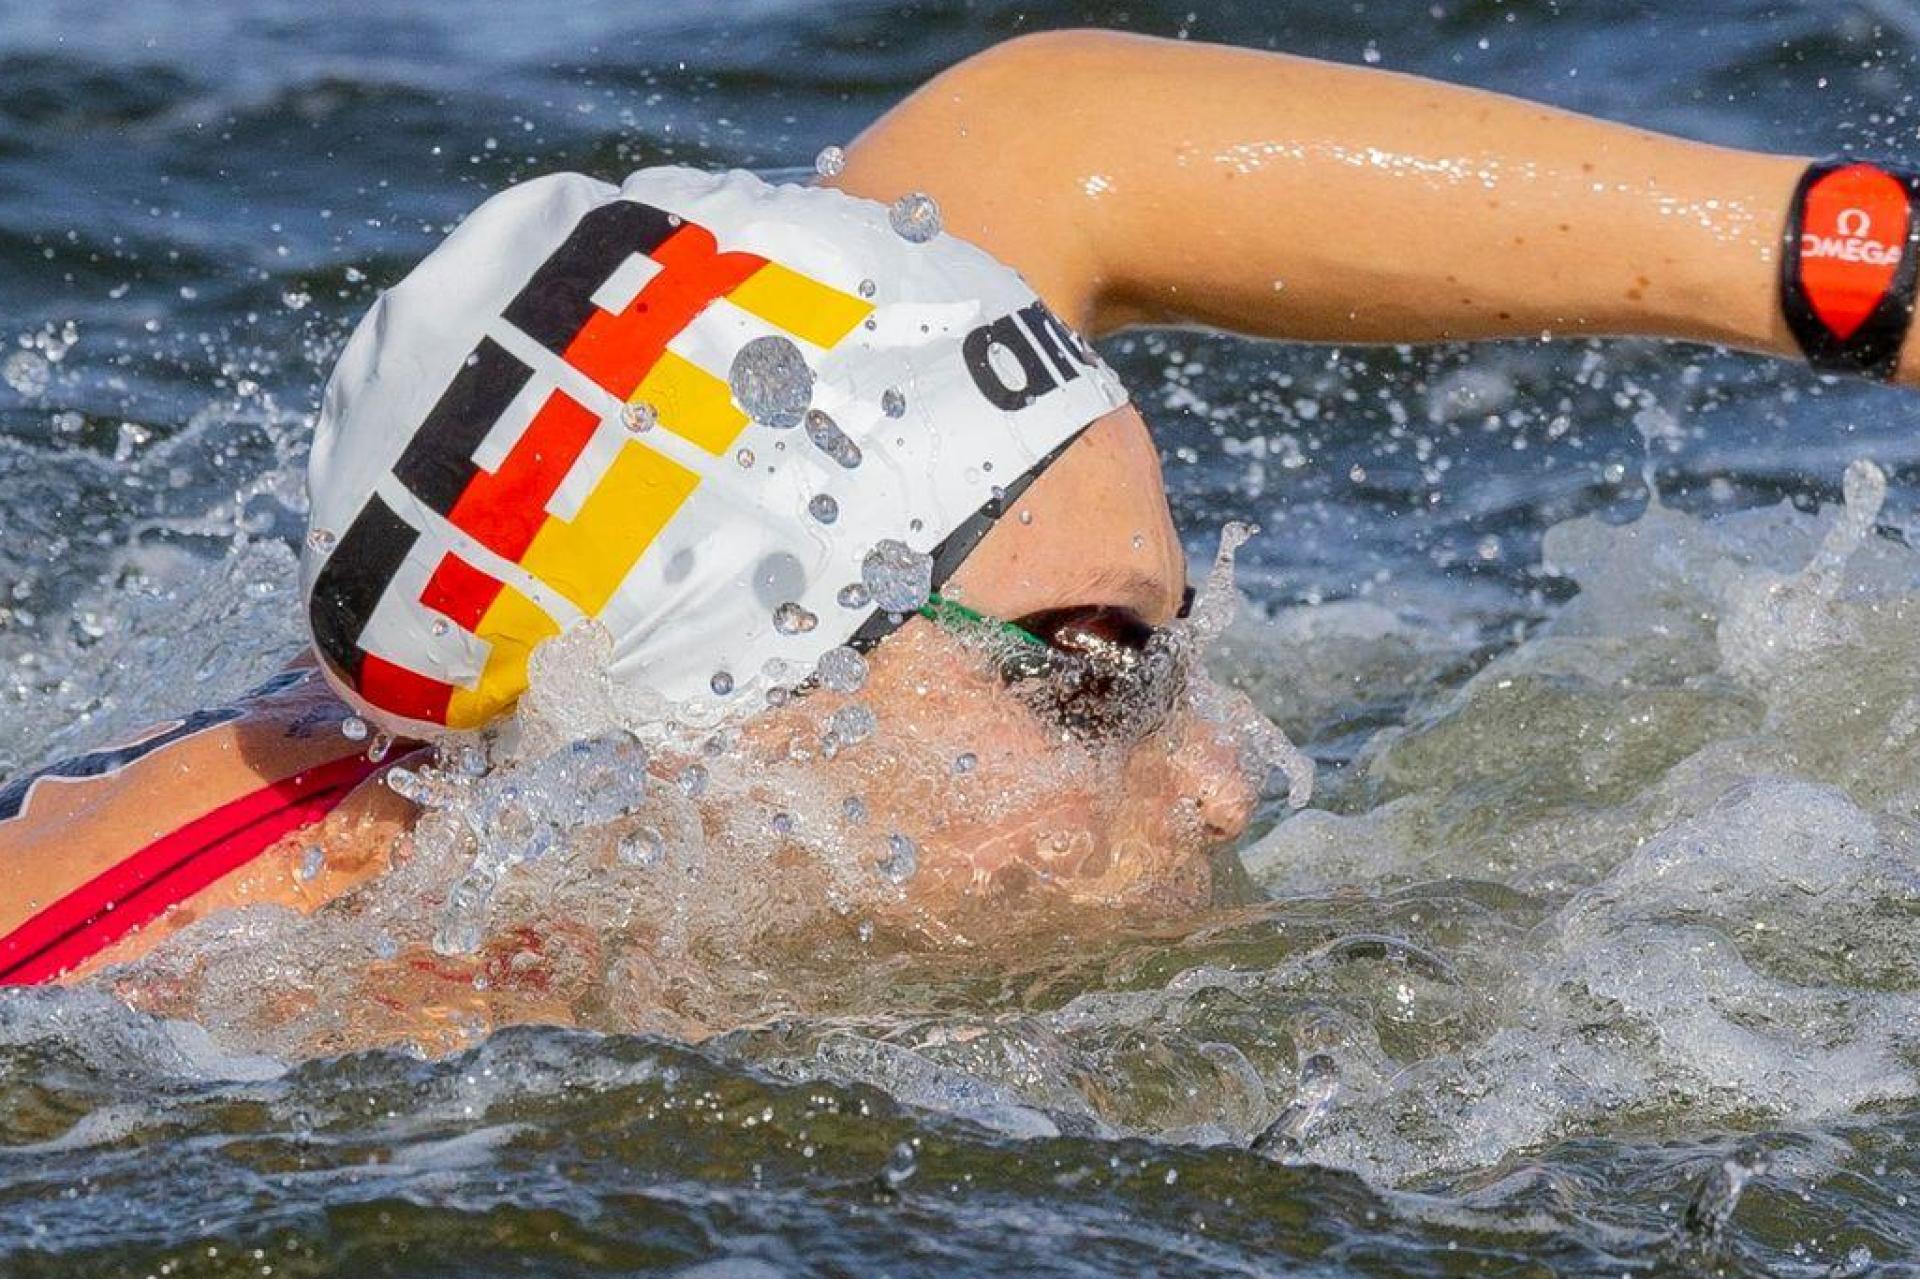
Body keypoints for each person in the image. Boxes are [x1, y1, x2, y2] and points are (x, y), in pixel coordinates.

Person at [1, 30, 1909, 1019]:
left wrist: (1864, 279)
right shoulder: (261, 1058)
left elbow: (1053, 142)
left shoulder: (569, 623)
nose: (1236, 777)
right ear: (736, 717)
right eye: (1095, 673)